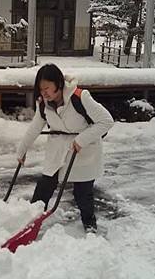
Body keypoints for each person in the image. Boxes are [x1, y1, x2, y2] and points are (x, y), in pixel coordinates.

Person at [16, 64, 114, 233]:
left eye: (47, 88)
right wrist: (22, 150)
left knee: (83, 194)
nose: (44, 92)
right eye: (41, 89)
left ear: (59, 84)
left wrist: (82, 139)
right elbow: (34, 128)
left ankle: (90, 226)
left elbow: (106, 121)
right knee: (44, 187)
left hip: (83, 150)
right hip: (58, 150)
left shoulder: (80, 97)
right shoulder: (44, 104)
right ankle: (30, 223)